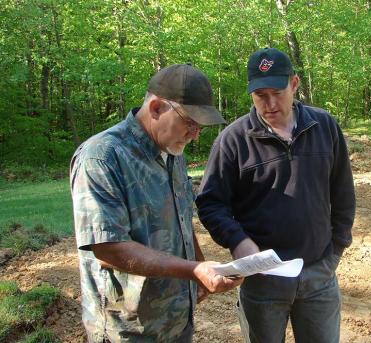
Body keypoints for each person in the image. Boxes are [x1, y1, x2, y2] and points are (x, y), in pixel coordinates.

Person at [70, 64, 243, 343]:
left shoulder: (172, 151)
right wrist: (193, 270)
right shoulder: (101, 157)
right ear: (156, 108)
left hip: (176, 319)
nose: (195, 134)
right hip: (128, 331)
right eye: (189, 122)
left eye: (199, 126)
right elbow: (107, 248)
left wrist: (199, 263)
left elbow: (181, 218)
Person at [196, 48, 355, 343]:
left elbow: (343, 192)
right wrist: (238, 241)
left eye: (277, 93)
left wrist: (336, 249)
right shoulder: (232, 140)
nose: (269, 104)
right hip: (262, 281)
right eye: (260, 95)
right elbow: (210, 203)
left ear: (294, 84)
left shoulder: (324, 127)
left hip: (318, 274)